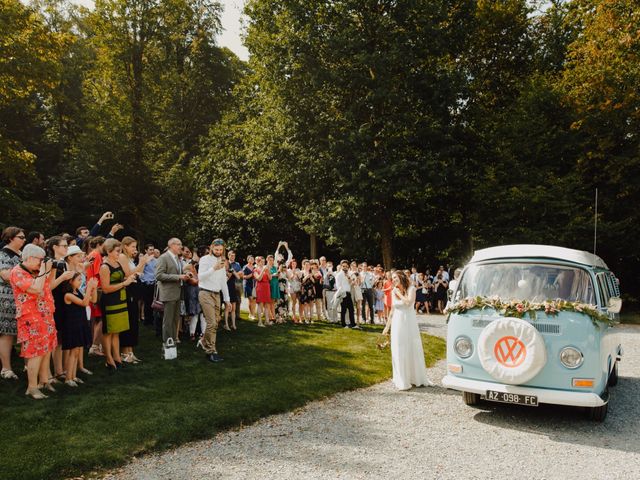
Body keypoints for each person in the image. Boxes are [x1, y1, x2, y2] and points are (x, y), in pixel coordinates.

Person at [10, 244, 57, 399]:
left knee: (46, 349)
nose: (41, 263)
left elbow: (47, 285)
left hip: (45, 314)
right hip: (31, 317)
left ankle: (44, 381)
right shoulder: (17, 272)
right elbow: (36, 289)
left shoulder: (34, 270)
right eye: (40, 260)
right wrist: (44, 269)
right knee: (35, 352)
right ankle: (32, 387)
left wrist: (49, 269)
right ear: (30, 258)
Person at [382, 270, 433, 390]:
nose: (393, 280)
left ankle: (414, 377)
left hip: (408, 323)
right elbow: (393, 310)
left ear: (401, 277)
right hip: (397, 323)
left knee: (410, 347)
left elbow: (409, 302)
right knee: (398, 348)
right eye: (392, 278)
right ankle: (401, 379)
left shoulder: (411, 289)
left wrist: (398, 293)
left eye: (395, 278)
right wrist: (387, 327)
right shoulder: (394, 291)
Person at [100, 238, 135, 370]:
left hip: (120, 298)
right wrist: (124, 284)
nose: (119, 253)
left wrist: (129, 279)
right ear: (109, 251)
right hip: (110, 301)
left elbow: (122, 278)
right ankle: (108, 358)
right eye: (117, 251)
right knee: (109, 331)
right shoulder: (104, 266)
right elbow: (105, 288)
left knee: (117, 330)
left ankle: (117, 357)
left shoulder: (117, 263)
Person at [119, 237, 151, 364]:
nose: (135, 249)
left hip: (134, 288)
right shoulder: (122, 257)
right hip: (127, 290)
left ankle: (130, 351)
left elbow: (139, 273)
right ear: (125, 246)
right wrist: (141, 263)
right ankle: (124, 352)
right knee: (129, 321)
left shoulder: (131, 258)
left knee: (133, 321)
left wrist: (143, 263)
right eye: (132, 246)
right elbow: (128, 273)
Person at [61, 273, 97, 386]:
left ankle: (73, 376)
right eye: (78, 279)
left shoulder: (78, 292)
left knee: (76, 352)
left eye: (81, 279)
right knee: (73, 351)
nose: (80, 281)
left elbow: (93, 300)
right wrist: (89, 288)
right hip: (72, 325)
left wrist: (94, 288)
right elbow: (84, 303)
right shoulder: (68, 295)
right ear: (70, 281)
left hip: (80, 323)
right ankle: (68, 378)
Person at [0, 227, 26, 380]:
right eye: (21, 237)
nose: (24, 240)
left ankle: (28, 363)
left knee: (24, 332)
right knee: (7, 333)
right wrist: (25, 272)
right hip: (7, 298)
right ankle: (6, 368)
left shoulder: (21, 254)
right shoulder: (3, 254)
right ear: (10, 238)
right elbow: (5, 275)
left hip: (23, 298)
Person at [197, 238, 229, 362]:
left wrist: (227, 299)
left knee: (215, 323)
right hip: (205, 293)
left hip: (217, 294)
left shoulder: (222, 260)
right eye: (216, 249)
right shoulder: (204, 259)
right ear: (211, 248)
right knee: (212, 323)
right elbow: (200, 277)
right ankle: (211, 351)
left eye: (221, 250)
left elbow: (223, 281)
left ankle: (204, 340)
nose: (219, 252)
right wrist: (214, 268)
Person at [156, 238, 189, 348]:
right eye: (179, 244)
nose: (181, 247)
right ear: (171, 245)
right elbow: (159, 275)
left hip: (178, 293)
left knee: (175, 320)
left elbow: (177, 272)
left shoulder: (177, 258)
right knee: (168, 321)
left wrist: (185, 273)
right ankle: (167, 344)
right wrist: (178, 277)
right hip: (168, 294)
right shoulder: (163, 257)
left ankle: (173, 341)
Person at [86, 236, 106, 356]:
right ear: (99, 244)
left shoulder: (91, 254)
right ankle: (94, 346)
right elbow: (99, 273)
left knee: (96, 319)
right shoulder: (97, 255)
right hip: (97, 289)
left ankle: (96, 345)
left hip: (93, 288)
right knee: (101, 318)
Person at [139, 243, 157, 327]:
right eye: (150, 249)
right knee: (147, 302)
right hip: (146, 283)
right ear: (146, 250)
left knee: (152, 302)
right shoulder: (143, 259)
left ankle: (151, 319)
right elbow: (140, 271)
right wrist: (144, 280)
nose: (152, 251)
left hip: (153, 283)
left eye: (153, 249)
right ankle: (147, 320)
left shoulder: (155, 260)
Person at [334, 260, 356, 329]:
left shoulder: (348, 274)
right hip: (343, 293)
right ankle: (343, 324)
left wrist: (348, 277)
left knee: (351, 309)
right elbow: (338, 286)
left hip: (348, 293)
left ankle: (353, 324)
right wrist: (342, 293)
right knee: (343, 309)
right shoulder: (338, 275)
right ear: (341, 266)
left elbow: (351, 283)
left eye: (346, 266)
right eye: (343, 266)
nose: (345, 268)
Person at [226, 250, 242, 330]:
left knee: (235, 304)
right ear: (228, 255)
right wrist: (233, 273)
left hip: (234, 284)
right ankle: (226, 323)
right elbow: (226, 275)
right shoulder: (225, 263)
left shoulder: (237, 264)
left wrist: (233, 273)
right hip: (226, 285)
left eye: (234, 255)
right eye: (231, 255)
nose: (232, 257)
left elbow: (240, 274)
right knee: (226, 305)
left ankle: (234, 322)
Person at [253, 256, 271, 327]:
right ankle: (260, 322)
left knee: (267, 304)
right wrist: (263, 271)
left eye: (264, 262)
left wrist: (268, 272)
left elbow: (270, 278)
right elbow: (258, 279)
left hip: (267, 287)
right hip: (260, 287)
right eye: (261, 262)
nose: (263, 263)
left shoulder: (266, 269)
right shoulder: (255, 270)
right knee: (260, 304)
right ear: (258, 262)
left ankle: (267, 321)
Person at [298, 260, 315, 324]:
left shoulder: (312, 272)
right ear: (303, 265)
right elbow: (301, 281)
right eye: (306, 265)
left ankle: (311, 318)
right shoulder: (301, 272)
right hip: (304, 290)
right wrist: (306, 277)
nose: (307, 266)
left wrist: (311, 277)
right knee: (305, 304)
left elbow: (314, 282)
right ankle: (306, 319)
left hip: (310, 290)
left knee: (311, 305)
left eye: (308, 265)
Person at [242, 255, 257, 320]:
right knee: (250, 299)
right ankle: (252, 314)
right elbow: (243, 277)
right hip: (247, 284)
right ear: (248, 260)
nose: (252, 260)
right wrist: (251, 275)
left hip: (253, 285)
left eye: (253, 259)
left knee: (253, 300)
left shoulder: (255, 267)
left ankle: (251, 314)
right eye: (251, 259)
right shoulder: (245, 267)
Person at [267, 255, 280, 322]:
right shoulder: (266, 267)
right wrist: (274, 274)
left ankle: (273, 316)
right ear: (267, 260)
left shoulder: (274, 267)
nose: (271, 261)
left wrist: (278, 274)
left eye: (272, 260)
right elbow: (267, 276)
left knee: (273, 301)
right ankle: (269, 316)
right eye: (270, 260)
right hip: (270, 285)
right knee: (269, 301)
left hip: (275, 284)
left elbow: (277, 275)